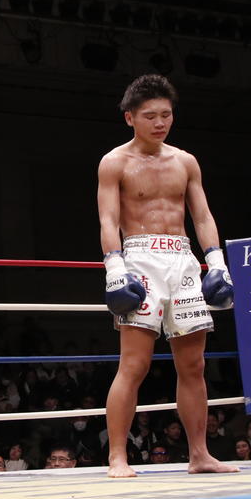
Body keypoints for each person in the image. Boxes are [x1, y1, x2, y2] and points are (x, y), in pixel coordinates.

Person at [97, 74, 238, 478]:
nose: (160, 123)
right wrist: (114, 267)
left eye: (166, 115)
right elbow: (107, 218)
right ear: (130, 117)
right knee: (134, 364)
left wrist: (217, 262)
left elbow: (202, 216)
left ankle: (199, 454)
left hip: (182, 259)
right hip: (139, 259)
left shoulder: (185, 161)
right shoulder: (114, 162)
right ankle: (117, 457)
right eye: (150, 116)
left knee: (193, 365)